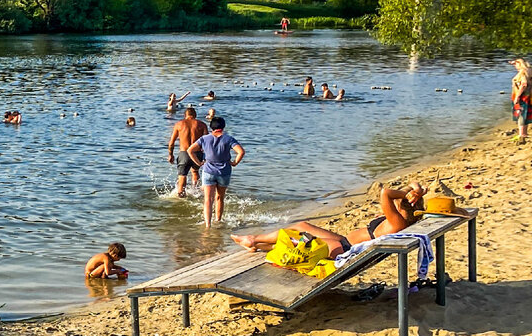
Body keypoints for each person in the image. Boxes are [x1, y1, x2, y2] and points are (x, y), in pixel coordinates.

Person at [233, 181, 427, 259]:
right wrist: (415, 190)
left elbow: (385, 192)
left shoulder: (397, 222)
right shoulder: (402, 220)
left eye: (400, 200)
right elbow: (399, 193)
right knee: (302, 226)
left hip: (344, 250)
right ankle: (256, 244)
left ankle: (253, 239)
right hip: (343, 242)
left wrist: (406, 192)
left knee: (297, 238)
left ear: (403, 204)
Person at [187, 116, 245, 228]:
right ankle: (218, 220)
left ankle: (208, 224)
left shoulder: (204, 139)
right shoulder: (228, 139)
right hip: (224, 171)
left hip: (208, 171)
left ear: (211, 127)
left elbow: (190, 150)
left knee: (208, 199)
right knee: (220, 197)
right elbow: (241, 152)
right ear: (223, 127)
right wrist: (235, 163)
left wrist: (199, 163)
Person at [167, 106, 208, 198]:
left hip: (184, 153)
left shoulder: (179, 124)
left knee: (182, 175)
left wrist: (170, 155)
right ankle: (195, 191)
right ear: (195, 115)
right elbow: (207, 142)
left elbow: (171, 142)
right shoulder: (202, 124)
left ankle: (181, 194)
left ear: (185, 115)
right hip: (197, 153)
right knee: (195, 172)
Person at [511, 58, 530, 145]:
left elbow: (524, 84)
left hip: (522, 97)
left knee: (521, 115)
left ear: (519, 64)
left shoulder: (522, 73)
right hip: (528, 96)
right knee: (526, 115)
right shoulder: (529, 71)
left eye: (516, 64)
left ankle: (521, 134)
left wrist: (517, 96)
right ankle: (524, 133)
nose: (515, 66)